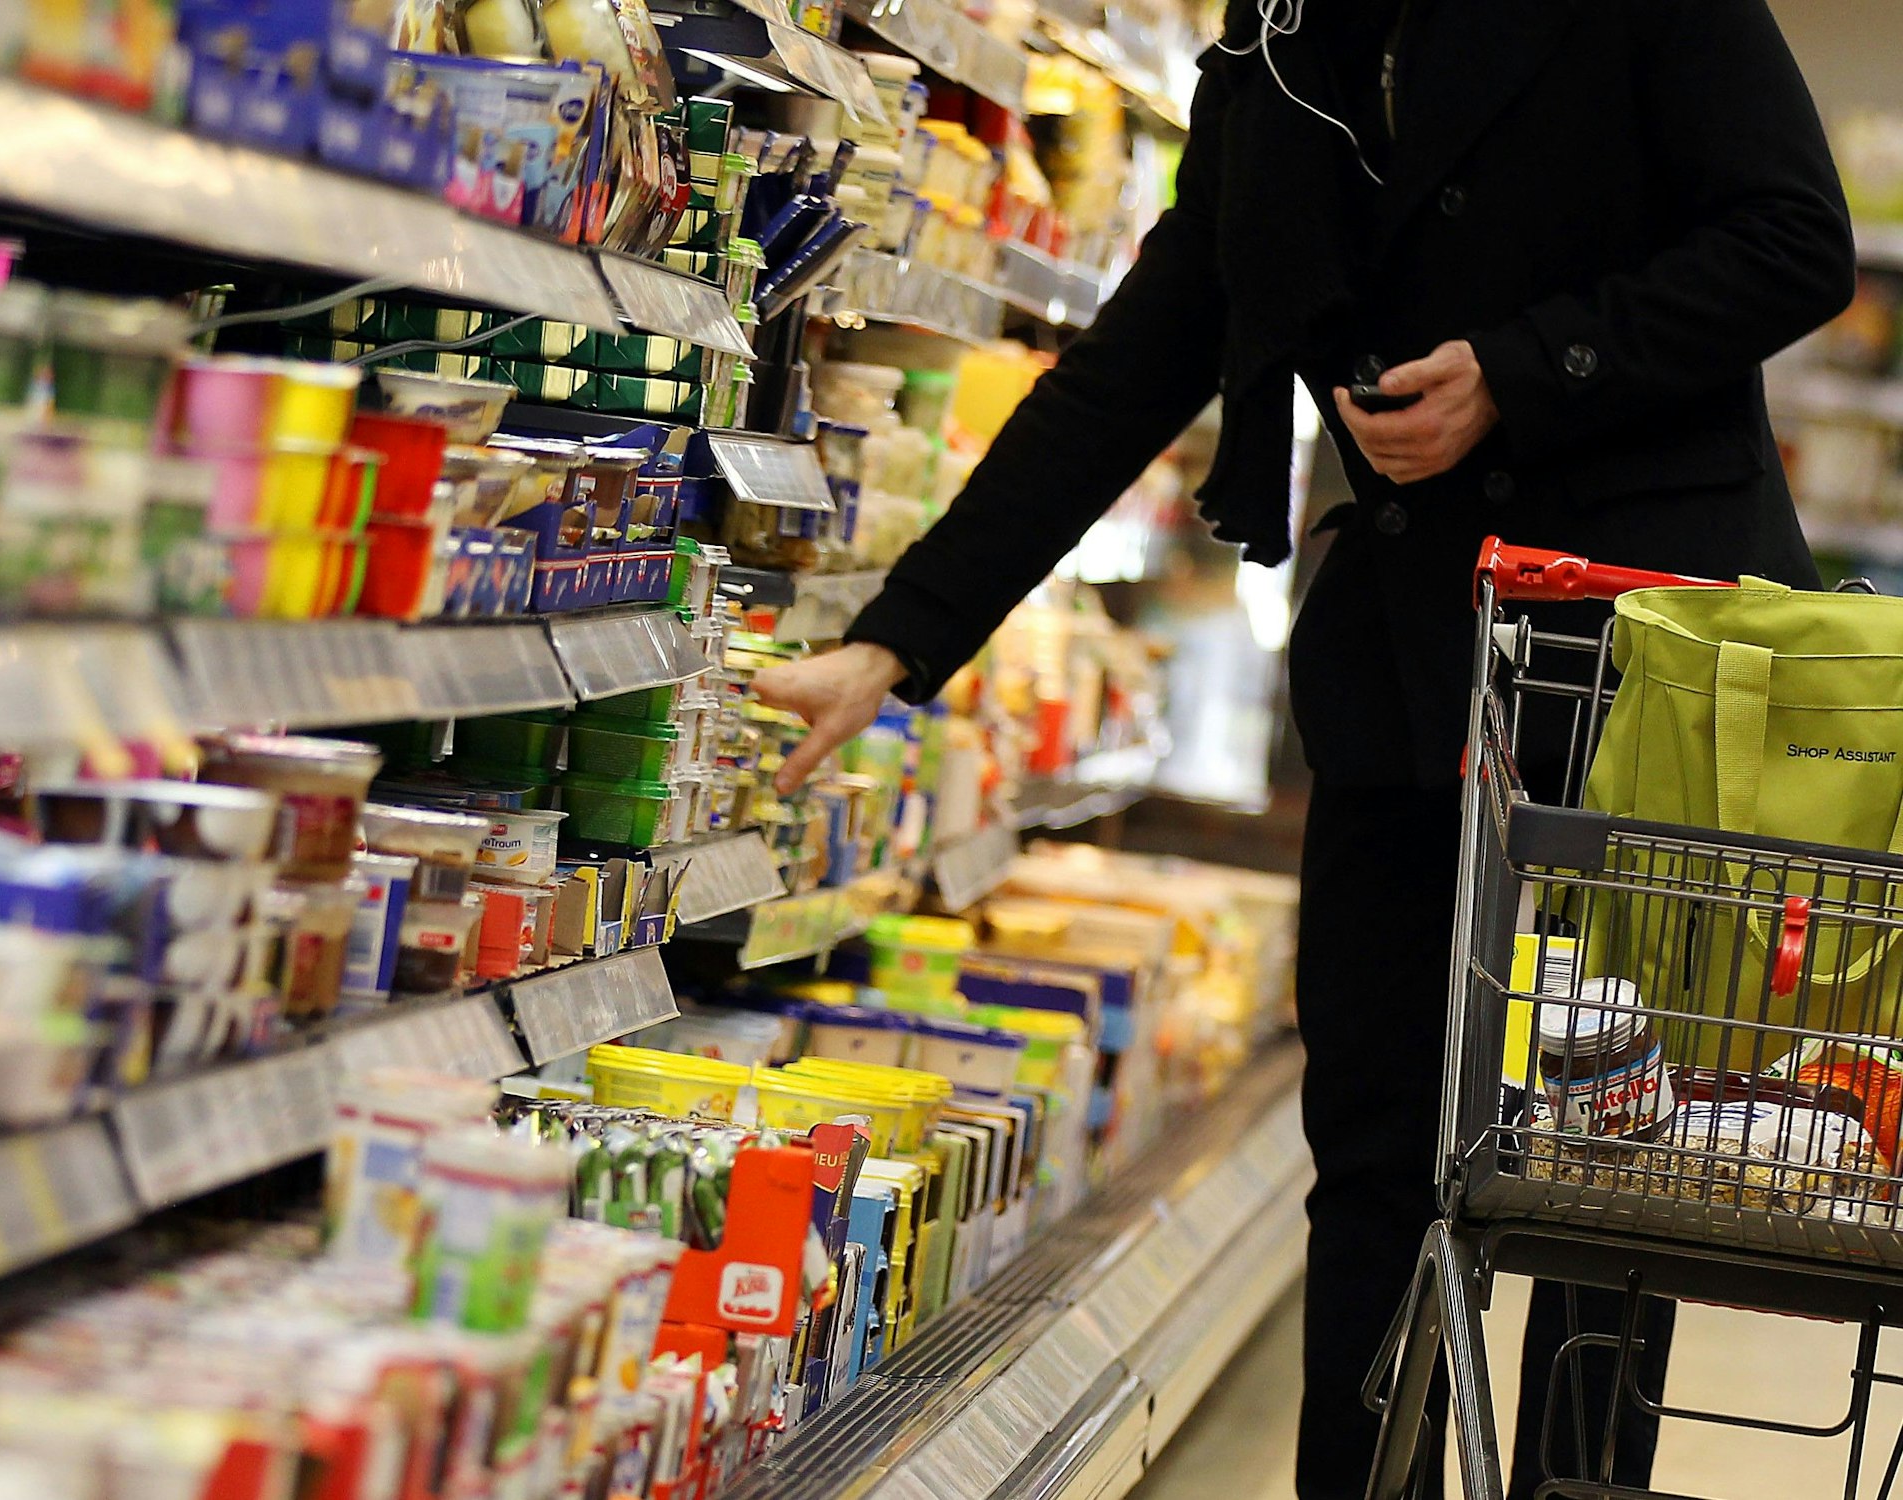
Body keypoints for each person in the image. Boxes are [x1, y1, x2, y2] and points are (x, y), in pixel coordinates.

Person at [752, 0, 1857, 1493]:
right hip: (1408, 656)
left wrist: (1526, 371)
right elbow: (1146, 352)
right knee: (1377, 1147)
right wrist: (899, 639)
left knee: (1615, 1167)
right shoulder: (1282, 38)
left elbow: (1795, 240)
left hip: (1638, 663)